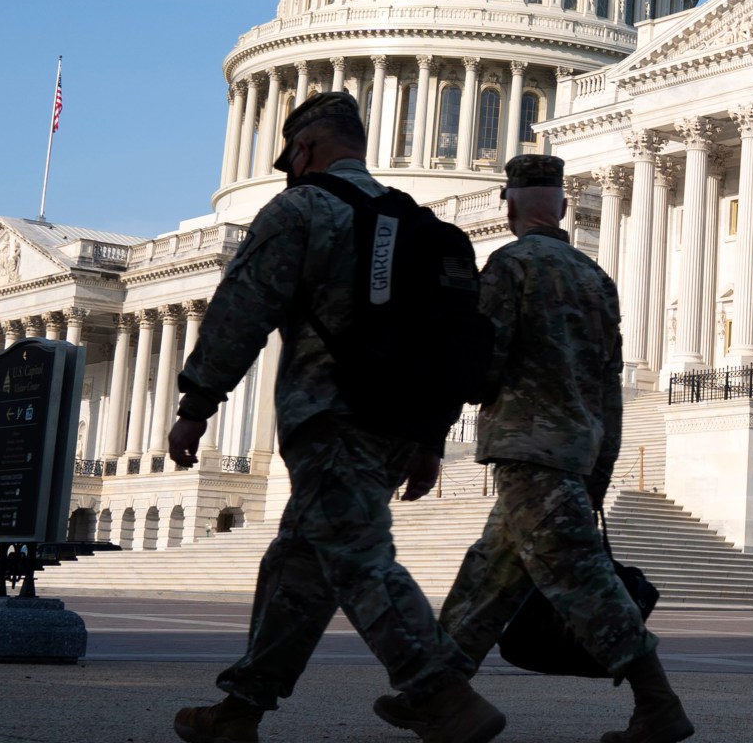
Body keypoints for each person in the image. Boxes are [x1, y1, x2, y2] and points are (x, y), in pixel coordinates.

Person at [164, 92, 503, 743]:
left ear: (307, 149)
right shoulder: (418, 225)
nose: (289, 166)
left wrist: (196, 404)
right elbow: (455, 341)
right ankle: (240, 711)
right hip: (399, 423)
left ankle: (439, 692)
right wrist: (429, 438)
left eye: (291, 154)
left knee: (358, 558)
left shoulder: (301, 211)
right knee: (297, 565)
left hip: (331, 415)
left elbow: (241, 312)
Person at [387, 153, 693, 743]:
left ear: (508, 206)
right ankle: (432, 692)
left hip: (528, 446)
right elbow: (610, 384)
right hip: (577, 449)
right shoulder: (595, 278)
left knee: (581, 579)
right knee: (489, 574)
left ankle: (658, 702)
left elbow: (482, 361)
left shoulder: (510, 267)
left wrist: (437, 411)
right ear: (562, 208)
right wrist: (600, 465)